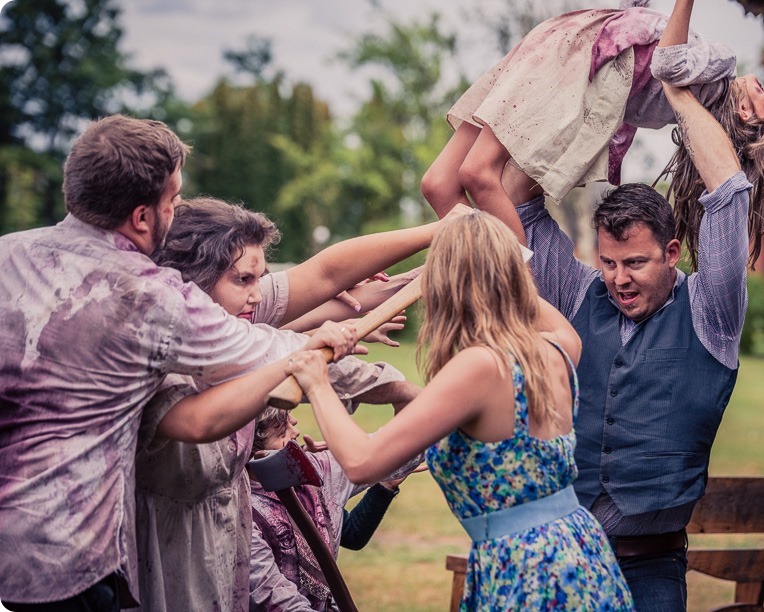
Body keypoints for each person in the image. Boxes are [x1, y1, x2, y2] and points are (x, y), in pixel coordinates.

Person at [0, 113, 455, 611]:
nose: (176, 211)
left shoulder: (10, 255)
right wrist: (324, 340)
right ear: (142, 217)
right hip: (101, 559)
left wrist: (441, 233)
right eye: (172, 200)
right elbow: (234, 386)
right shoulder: (150, 297)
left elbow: (319, 276)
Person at [470, 1, 753, 608]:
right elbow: (515, 204)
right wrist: (586, 95)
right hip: (563, 562)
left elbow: (728, 193)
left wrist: (675, 88)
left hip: (652, 568)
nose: (619, 279)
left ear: (673, 253)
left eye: (636, 264)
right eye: (609, 262)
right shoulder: (576, 293)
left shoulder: (712, 311)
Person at [287, 211, 635, 610]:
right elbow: (552, 323)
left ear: (446, 284)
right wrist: (498, 259)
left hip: (526, 568)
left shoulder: (480, 367)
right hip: (578, 552)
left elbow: (362, 463)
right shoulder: (556, 350)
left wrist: (316, 380)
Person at [134, 197, 438, 612]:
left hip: (225, 552)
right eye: (243, 279)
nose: (257, 295)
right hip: (166, 560)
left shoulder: (237, 307)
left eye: (260, 278)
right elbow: (289, 356)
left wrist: (439, 242)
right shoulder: (163, 344)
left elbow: (325, 276)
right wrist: (399, 389)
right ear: (194, 281)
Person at [420, 0, 764, 270]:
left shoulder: (720, 69)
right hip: (576, 46)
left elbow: (664, 61)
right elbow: (640, 25)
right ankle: (484, 272)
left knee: (450, 181)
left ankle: (516, 287)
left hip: (571, 53)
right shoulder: (692, 104)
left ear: (745, 112)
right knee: (469, 177)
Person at [247, 410, 418, 611]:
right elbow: (271, 593)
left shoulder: (313, 469)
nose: (295, 432)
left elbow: (383, 447)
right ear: (248, 448)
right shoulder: (241, 510)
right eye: (282, 431)